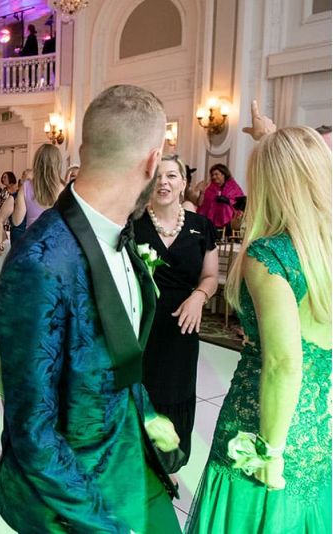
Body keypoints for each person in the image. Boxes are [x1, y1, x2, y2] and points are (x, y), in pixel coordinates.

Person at [0, 85, 181, 533]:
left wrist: (148, 418)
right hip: (71, 501)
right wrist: (106, 525)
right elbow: (32, 429)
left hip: (130, 457)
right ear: (152, 162)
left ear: (84, 147)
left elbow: (119, 359)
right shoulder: (39, 264)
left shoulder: (123, 236)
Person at [186, 126, 331, 531]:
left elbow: (284, 362)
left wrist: (272, 450)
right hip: (317, 426)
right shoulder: (325, 249)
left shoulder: (270, 255)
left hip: (263, 426)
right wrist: (277, 140)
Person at [134, 154, 219, 472]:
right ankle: (139, 460)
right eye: (157, 176)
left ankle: (170, 459)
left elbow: (210, 277)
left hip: (184, 325)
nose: (163, 182)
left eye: (171, 176)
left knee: (177, 387)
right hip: (142, 325)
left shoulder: (200, 227)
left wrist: (199, 296)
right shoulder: (134, 224)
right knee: (143, 386)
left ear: (184, 183)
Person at [11, 144, 64, 229]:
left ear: (36, 162)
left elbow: (16, 221)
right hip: (54, 239)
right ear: (58, 163)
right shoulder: (63, 189)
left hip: (32, 239)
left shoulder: (26, 187)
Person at [194, 163, 245, 233]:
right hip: (210, 223)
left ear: (223, 174)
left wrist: (227, 200)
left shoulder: (233, 187)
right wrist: (202, 192)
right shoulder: (208, 187)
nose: (213, 177)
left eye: (216, 174)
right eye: (212, 175)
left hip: (228, 223)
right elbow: (200, 204)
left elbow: (240, 203)